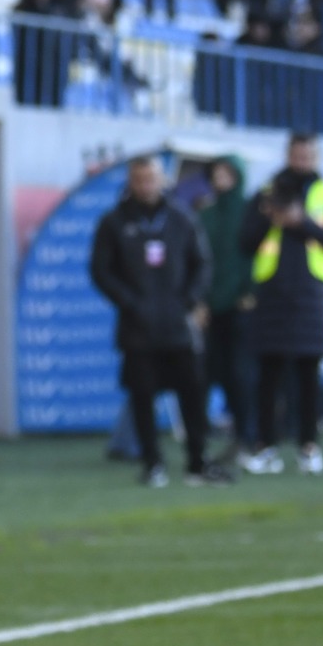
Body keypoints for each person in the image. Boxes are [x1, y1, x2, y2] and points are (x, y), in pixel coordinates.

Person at [89, 157, 224, 487]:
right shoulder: (114, 222)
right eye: (139, 179)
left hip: (178, 327)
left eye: (151, 178)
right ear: (131, 182)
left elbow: (202, 263)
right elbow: (101, 270)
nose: (146, 185)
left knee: (192, 393)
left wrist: (188, 301)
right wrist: (130, 302)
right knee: (142, 396)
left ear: (162, 180)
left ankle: (197, 461)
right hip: (137, 328)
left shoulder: (181, 218)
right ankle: (152, 463)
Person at [239, 134, 323, 475]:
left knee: (308, 375)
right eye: (297, 155)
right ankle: (265, 446)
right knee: (268, 375)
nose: (302, 161)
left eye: (308, 155)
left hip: (311, 294)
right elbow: (245, 241)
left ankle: (309, 447)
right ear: (288, 154)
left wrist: (303, 222)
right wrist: (271, 218)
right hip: (272, 293)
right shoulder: (266, 192)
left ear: (316, 156)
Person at [196, 157, 255, 453]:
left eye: (226, 173)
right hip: (210, 307)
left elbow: (258, 255)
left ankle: (246, 435)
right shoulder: (205, 215)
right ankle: (201, 434)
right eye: (216, 173)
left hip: (241, 307)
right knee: (207, 372)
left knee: (240, 373)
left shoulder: (250, 211)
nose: (220, 179)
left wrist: (250, 291)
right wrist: (199, 300)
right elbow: (198, 260)